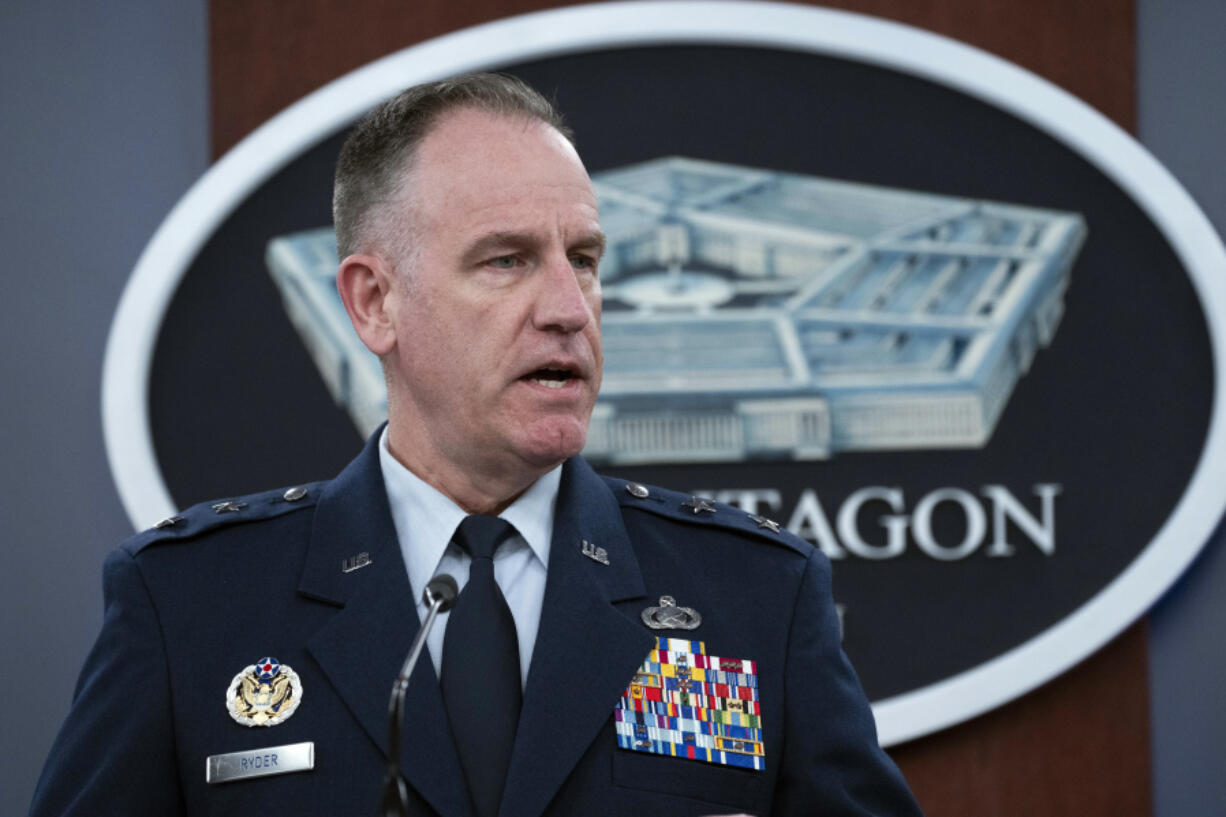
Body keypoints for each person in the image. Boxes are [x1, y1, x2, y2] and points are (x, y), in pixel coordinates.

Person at [30, 73, 923, 817]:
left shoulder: (756, 600)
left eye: (583, 257)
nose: (569, 307)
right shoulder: (191, 605)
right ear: (375, 303)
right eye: (505, 260)